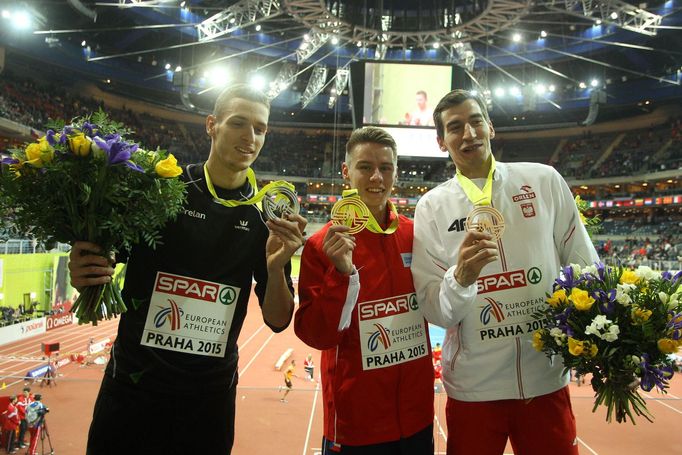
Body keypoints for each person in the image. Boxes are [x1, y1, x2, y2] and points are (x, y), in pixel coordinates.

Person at [68, 84, 306, 455]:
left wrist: (278, 269)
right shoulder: (163, 189)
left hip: (208, 400)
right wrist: (83, 267)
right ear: (211, 125)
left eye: (259, 129)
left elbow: (277, 320)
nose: (250, 137)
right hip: (134, 389)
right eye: (238, 123)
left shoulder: (267, 216)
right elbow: (104, 259)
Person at [411, 89, 599, 455]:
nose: (468, 134)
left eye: (475, 121)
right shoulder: (432, 207)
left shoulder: (543, 182)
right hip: (474, 389)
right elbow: (435, 311)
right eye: (454, 127)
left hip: (545, 380)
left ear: (491, 127)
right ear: (440, 141)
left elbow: (586, 270)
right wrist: (461, 277)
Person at [295, 127, 435, 454]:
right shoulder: (322, 245)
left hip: (417, 418)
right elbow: (317, 336)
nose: (376, 177)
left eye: (385, 168)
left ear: (395, 173)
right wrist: (341, 273)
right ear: (346, 172)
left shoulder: (416, 235)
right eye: (365, 167)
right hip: (357, 425)